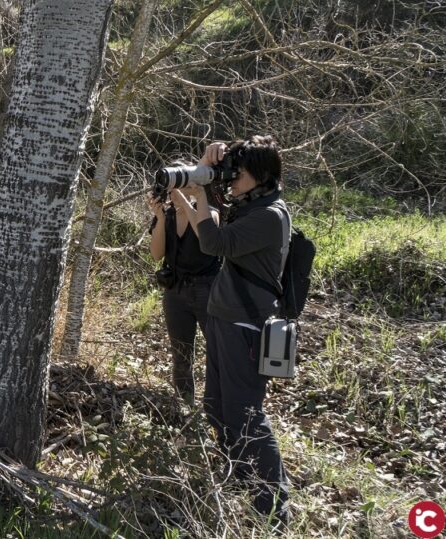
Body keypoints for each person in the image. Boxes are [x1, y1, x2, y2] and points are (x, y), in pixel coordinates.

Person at [172, 136, 291, 527]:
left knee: (246, 413)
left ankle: (273, 506)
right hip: (225, 318)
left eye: (237, 175)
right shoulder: (251, 205)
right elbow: (217, 211)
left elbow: (212, 242)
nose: (231, 180)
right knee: (217, 406)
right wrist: (210, 166)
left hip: (246, 326)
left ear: (261, 176)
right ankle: (239, 478)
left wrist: (203, 190)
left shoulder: (269, 216)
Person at [147, 183, 220, 406]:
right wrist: (159, 219)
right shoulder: (166, 216)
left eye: (178, 187)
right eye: (170, 189)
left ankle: (217, 405)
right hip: (175, 291)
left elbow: (208, 242)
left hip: (208, 289)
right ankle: (184, 402)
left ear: (191, 188)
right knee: (181, 353)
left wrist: (186, 203)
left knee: (218, 350)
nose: (172, 193)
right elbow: (157, 254)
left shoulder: (210, 213)